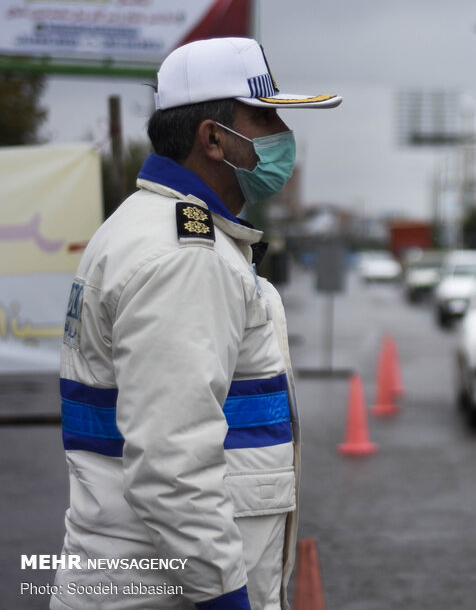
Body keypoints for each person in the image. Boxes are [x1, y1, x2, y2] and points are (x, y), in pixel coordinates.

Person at [52, 37, 341, 610]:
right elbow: (172, 465)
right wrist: (225, 596)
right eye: (264, 117)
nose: (282, 133)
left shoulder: (150, 225)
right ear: (213, 138)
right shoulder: (187, 256)